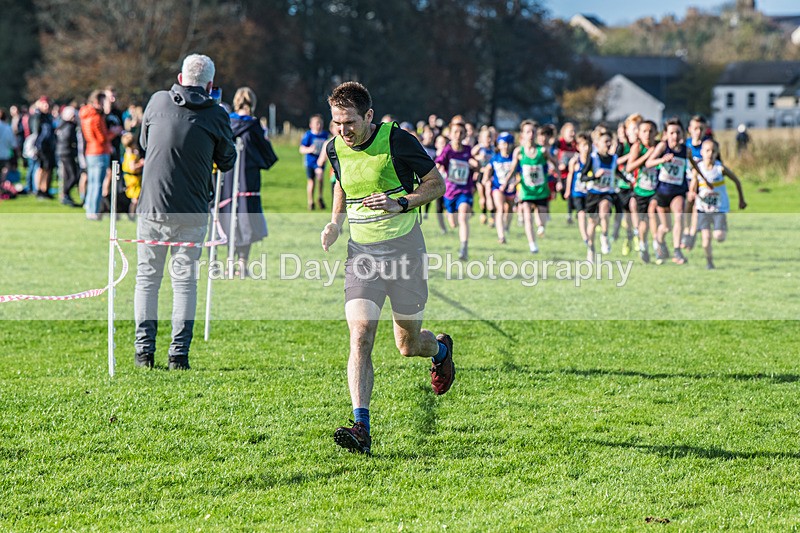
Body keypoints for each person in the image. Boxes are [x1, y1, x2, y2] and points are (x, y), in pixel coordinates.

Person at [320, 81, 454, 455]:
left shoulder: (398, 140)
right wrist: (335, 222)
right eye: (337, 123)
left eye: (349, 122)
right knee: (361, 335)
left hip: (405, 251)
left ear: (368, 116)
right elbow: (342, 183)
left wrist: (402, 202)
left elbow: (436, 184)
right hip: (361, 255)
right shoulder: (334, 148)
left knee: (408, 345)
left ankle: (440, 351)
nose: (343, 131)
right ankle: (360, 425)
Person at [134, 53, 236, 370]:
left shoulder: (157, 102)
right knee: (184, 283)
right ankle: (178, 355)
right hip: (192, 210)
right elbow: (228, 161)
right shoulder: (217, 114)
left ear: (180, 78)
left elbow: (143, 142)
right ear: (210, 85)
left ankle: (143, 353)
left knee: (147, 280)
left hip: (152, 206)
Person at [221, 86, 278, 276]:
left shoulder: (227, 123)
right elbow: (267, 155)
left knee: (230, 216)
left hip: (228, 179)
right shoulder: (254, 126)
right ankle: (242, 264)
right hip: (248, 179)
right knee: (246, 218)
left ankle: (230, 263)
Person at [645, 117, 704, 265]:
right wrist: (662, 160)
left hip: (678, 190)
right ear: (666, 134)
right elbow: (648, 163)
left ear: (683, 134)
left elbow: (694, 167)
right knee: (666, 227)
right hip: (662, 191)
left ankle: (677, 251)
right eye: (672, 133)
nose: (675, 136)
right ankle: (658, 241)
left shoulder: (686, 150)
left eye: (678, 132)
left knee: (679, 216)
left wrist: (703, 179)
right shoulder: (663, 147)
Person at [689, 139, 747, 269]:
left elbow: (737, 181)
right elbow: (693, 187)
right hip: (702, 208)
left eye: (713, 151)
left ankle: (722, 226)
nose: (710, 153)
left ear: (717, 153)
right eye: (707, 150)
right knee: (706, 239)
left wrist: (741, 200)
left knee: (719, 237)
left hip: (719, 208)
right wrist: (692, 193)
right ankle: (709, 262)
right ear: (702, 152)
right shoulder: (697, 169)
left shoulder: (719, 168)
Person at [513, 120, 558, 253]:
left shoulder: (542, 151)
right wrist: (507, 183)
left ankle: (541, 227)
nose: (531, 134)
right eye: (528, 132)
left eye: (533, 132)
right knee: (527, 217)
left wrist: (559, 179)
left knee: (541, 221)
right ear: (522, 135)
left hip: (541, 190)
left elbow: (555, 163)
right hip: (526, 191)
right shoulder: (519, 151)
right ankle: (532, 244)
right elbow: (512, 169)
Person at [435, 118, 475, 260]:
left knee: (463, 216)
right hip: (449, 192)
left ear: (465, 135)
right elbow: (438, 163)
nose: (458, 135)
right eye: (455, 132)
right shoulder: (448, 150)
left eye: (461, 132)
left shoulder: (468, 150)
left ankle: (464, 248)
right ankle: (451, 216)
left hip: (464, 191)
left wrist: (475, 163)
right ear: (450, 134)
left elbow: (475, 163)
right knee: (453, 223)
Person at [79, 90, 113, 220]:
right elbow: (102, 138)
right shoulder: (96, 118)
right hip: (99, 151)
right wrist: (114, 133)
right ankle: (93, 210)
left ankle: (89, 207)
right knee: (97, 183)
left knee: (92, 181)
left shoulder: (86, 115)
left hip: (90, 151)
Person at [485, 132, 517, 244]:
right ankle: (501, 236)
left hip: (511, 188)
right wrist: (486, 179)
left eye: (508, 143)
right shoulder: (495, 158)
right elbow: (488, 169)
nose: (506, 146)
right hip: (498, 187)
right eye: (503, 143)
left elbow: (520, 175)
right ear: (498, 145)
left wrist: (514, 184)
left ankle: (506, 226)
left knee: (509, 209)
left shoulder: (514, 159)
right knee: (500, 208)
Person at [564, 132, 591, 247]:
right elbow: (570, 175)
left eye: (588, 145)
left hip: (590, 192)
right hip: (577, 192)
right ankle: (585, 237)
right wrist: (568, 190)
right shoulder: (575, 161)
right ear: (578, 147)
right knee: (581, 213)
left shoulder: (593, 160)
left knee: (591, 215)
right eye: (583, 145)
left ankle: (590, 233)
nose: (586, 148)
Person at [299, 114, 330, 210]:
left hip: (320, 162)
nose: (319, 125)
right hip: (310, 162)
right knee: (311, 182)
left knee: (320, 179)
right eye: (317, 123)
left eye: (320, 123)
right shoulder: (308, 135)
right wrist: (310, 149)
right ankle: (310, 201)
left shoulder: (325, 135)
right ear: (311, 125)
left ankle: (320, 197)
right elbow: (301, 149)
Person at [55, 105, 80, 206]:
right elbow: (68, 138)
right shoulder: (69, 126)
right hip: (67, 153)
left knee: (68, 176)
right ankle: (65, 194)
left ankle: (66, 195)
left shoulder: (62, 125)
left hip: (64, 152)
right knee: (73, 176)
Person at [121, 132, 144, 219]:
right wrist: (141, 163)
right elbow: (132, 167)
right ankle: (132, 215)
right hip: (133, 179)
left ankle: (133, 214)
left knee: (135, 198)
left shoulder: (128, 153)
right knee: (135, 199)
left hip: (132, 178)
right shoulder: (131, 155)